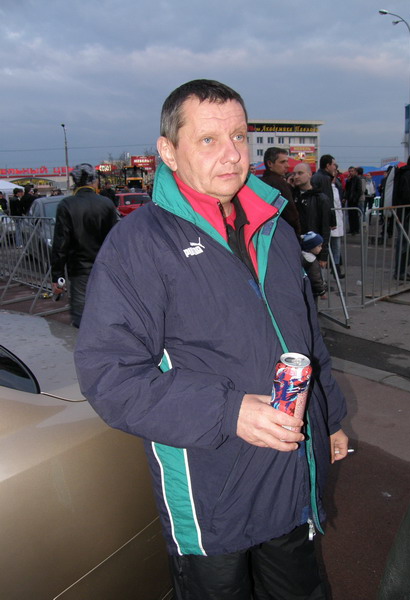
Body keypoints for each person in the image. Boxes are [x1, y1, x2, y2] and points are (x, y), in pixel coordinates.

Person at [74, 79, 348, 600]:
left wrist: (330, 417)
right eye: (208, 139)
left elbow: (307, 338)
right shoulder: (138, 244)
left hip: (289, 471)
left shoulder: (274, 228)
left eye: (239, 136)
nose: (231, 154)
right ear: (168, 151)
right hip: (211, 489)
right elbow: (109, 375)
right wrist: (229, 411)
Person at [51, 163, 118, 328]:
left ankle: (82, 341)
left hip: (79, 269)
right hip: (105, 268)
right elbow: (116, 239)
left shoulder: (67, 205)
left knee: (81, 316)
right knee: (105, 312)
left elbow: (61, 244)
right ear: (94, 181)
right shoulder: (106, 203)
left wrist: (57, 276)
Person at [292, 162, 331, 268]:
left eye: (300, 173)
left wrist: (323, 255)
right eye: (294, 174)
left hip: (313, 249)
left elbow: (325, 228)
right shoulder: (291, 196)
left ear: (309, 174)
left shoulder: (321, 198)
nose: (296, 176)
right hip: (295, 247)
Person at [260, 147, 301, 234]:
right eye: (282, 162)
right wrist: (297, 233)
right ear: (270, 163)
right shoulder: (279, 183)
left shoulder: (260, 183)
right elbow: (291, 215)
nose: (287, 165)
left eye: (287, 161)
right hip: (283, 232)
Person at [311, 154, 337, 228]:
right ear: (328, 165)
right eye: (334, 165)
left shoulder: (316, 176)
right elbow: (328, 199)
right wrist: (332, 221)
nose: (335, 167)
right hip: (323, 218)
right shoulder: (325, 178)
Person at [300, 232, 327, 304]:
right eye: (319, 246)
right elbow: (316, 278)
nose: (321, 248)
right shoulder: (312, 261)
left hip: (304, 288)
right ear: (311, 247)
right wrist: (322, 291)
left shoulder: (302, 256)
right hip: (312, 290)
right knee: (313, 306)